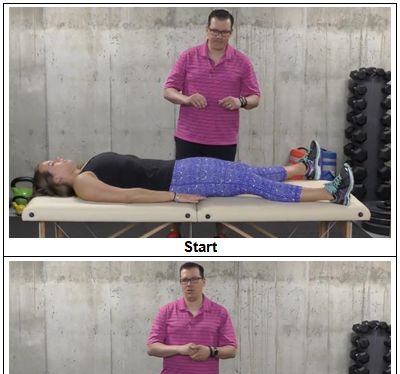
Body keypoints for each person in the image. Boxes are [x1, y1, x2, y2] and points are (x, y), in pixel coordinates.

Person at [163, 9, 261, 237]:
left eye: (224, 32)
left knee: (223, 187)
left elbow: (255, 98)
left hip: (223, 139)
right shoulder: (188, 57)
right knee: (181, 185)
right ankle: (174, 229)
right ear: (207, 29)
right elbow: (168, 90)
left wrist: (240, 101)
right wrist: (186, 99)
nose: (218, 36)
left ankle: (221, 231)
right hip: (189, 136)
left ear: (231, 33)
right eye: (215, 31)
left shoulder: (242, 61)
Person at [32, 140, 355, 206]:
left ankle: (302, 168)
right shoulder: (85, 183)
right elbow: (130, 196)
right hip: (180, 180)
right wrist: (174, 196)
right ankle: (330, 193)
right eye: (51, 164)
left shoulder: (88, 168)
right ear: (57, 180)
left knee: (244, 171)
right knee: (249, 182)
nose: (56, 159)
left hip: (180, 169)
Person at [147, 262, 237, 374]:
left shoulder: (220, 312)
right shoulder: (167, 311)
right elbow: (152, 347)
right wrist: (179, 349)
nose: (189, 284)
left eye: (195, 279)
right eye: (185, 280)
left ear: (204, 281)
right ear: (180, 283)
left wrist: (210, 351)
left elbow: (231, 350)